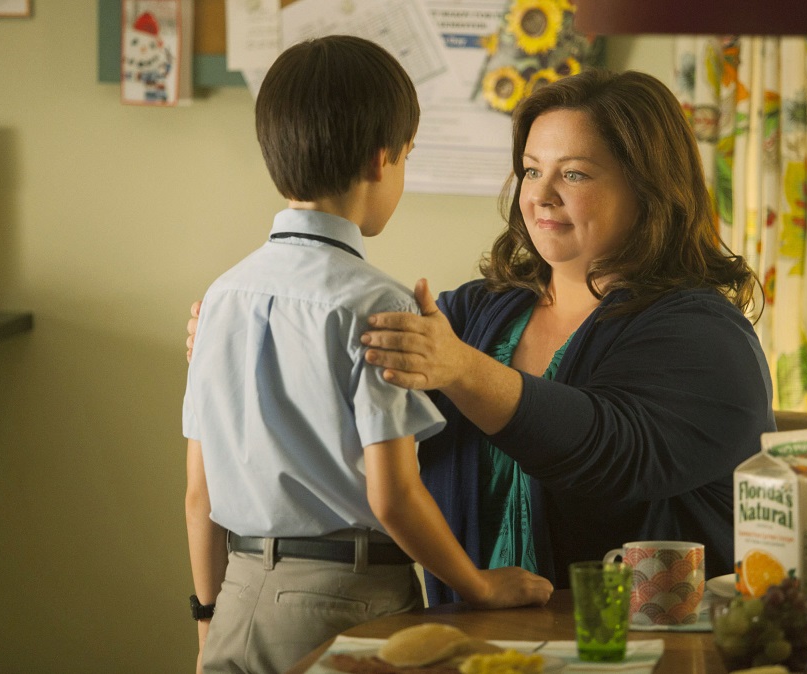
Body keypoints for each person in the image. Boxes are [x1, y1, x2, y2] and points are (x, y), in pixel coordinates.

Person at [187, 68, 774, 606]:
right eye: (531, 170)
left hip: (639, 648)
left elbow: (611, 450)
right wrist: (252, 337)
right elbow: (357, 398)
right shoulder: (475, 311)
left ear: (649, 187)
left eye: (573, 173)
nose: (540, 194)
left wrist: (462, 369)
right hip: (474, 642)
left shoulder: (706, 335)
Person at [182, 35, 552, 674]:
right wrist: (479, 586)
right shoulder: (380, 305)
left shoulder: (220, 297)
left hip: (237, 598)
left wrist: (208, 619)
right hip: (344, 600)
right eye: (408, 157)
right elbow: (393, 496)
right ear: (383, 160)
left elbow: (198, 493)